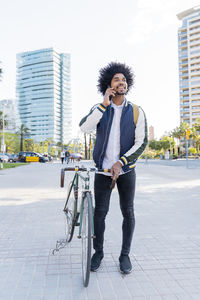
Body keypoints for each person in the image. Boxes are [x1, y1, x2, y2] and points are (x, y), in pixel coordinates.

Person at [79, 62, 148, 274]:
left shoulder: (136, 111)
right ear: (109, 85)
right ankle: (98, 252)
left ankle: (124, 255)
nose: (121, 82)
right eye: (117, 79)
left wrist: (122, 162)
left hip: (126, 171)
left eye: (124, 80)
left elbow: (142, 142)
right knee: (99, 213)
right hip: (103, 171)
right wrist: (103, 105)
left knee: (128, 212)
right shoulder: (99, 108)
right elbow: (84, 127)